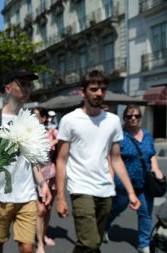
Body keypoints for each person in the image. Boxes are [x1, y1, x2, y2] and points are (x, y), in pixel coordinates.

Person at [55, 70, 141, 253]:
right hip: (80, 188)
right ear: (83, 92)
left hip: (105, 189)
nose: (99, 93)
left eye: (102, 89)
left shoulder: (113, 121)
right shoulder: (69, 120)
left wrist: (131, 192)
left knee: (93, 245)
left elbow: (116, 159)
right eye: (94, 89)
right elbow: (61, 160)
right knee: (90, 242)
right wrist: (61, 198)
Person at [0, 70, 51, 253]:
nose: (27, 88)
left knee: (27, 247)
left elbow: (33, 157)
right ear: (8, 88)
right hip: (1, 196)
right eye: (22, 84)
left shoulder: (31, 121)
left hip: (27, 195)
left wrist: (43, 184)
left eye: (29, 85)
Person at [105, 104, 165, 253]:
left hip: (145, 181)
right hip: (124, 183)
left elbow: (151, 154)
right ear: (124, 118)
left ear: (140, 118)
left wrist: (156, 168)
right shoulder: (119, 136)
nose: (133, 119)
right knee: (116, 208)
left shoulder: (147, 134)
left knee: (145, 213)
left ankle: (143, 244)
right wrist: (110, 178)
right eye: (129, 116)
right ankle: (104, 226)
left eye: (136, 116)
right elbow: (113, 158)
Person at [31, 106, 58, 253]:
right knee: (40, 210)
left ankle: (43, 234)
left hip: (51, 176)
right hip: (36, 177)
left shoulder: (52, 133)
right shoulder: (29, 135)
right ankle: (40, 243)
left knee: (47, 209)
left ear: (43, 118)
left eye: (36, 116)